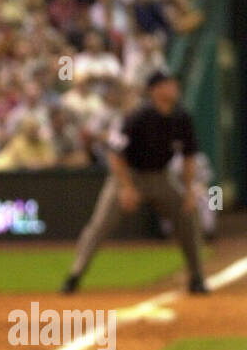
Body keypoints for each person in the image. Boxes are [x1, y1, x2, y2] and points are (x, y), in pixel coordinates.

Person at [62, 70, 208, 295]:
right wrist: (126, 187)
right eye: (169, 84)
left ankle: (196, 277)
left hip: (161, 177)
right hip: (128, 175)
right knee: (100, 224)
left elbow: (189, 156)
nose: (174, 88)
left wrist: (189, 190)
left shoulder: (182, 117)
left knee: (188, 216)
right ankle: (74, 275)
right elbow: (115, 153)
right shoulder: (138, 116)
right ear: (156, 90)